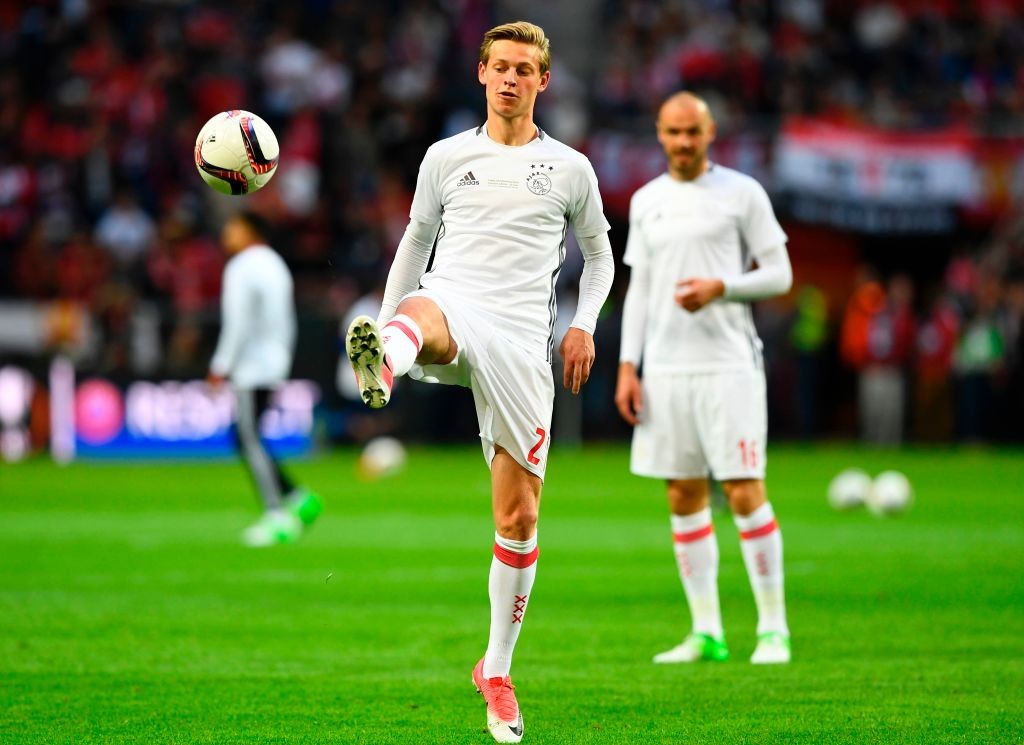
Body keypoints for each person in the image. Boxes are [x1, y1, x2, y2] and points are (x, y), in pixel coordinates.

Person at [345, 21, 614, 744]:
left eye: (524, 70)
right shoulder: (445, 157)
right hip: (456, 301)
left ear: (543, 81)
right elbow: (414, 242)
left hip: (524, 341)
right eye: (500, 67)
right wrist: (383, 316)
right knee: (422, 313)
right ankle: (387, 362)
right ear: (480, 72)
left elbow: (599, 255)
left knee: (518, 518)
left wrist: (583, 323)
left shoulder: (570, 169)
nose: (510, 79)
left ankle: (495, 669)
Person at [614, 92, 793, 666]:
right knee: (682, 494)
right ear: (660, 133)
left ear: (710, 131)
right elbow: (639, 288)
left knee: (743, 489)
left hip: (728, 366)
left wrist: (723, 287)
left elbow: (780, 274)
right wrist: (627, 366)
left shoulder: (742, 193)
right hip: (665, 369)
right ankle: (707, 631)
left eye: (693, 132)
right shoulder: (647, 201)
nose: (683, 142)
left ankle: (773, 630)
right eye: (673, 132)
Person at [208, 210, 322, 547]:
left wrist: (221, 364)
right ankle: (299, 498)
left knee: (248, 438)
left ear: (250, 231)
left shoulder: (242, 266)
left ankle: (276, 514)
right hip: (274, 361)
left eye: (232, 226)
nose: (227, 233)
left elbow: (238, 321)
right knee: (247, 436)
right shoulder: (275, 264)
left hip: (251, 365)